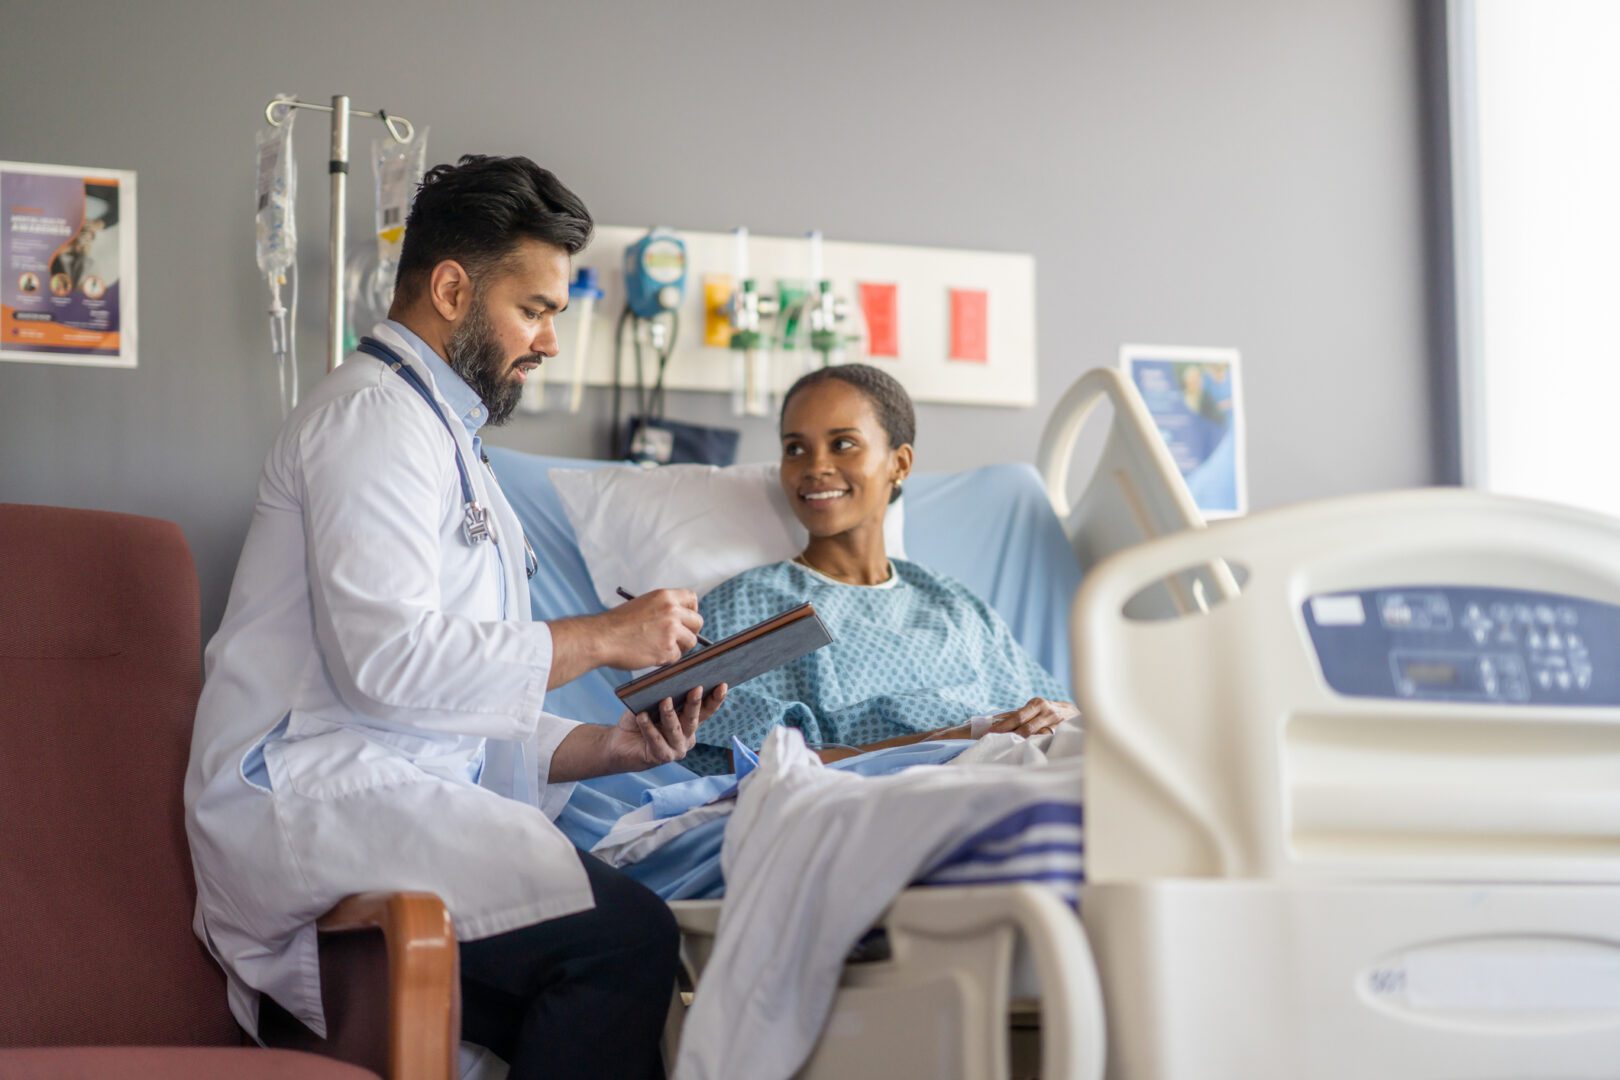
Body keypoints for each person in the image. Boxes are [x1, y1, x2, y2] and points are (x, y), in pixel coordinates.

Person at [185, 155, 725, 1080]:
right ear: (450, 288)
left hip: (386, 791)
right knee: (622, 941)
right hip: (313, 801)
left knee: (617, 963)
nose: (551, 341)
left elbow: (453, 702)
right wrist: (602, 635)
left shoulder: (443, 436)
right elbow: (388, 667)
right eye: (538, 309)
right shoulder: (372, 423)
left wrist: (610, 748)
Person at [683, 364, 1077, 776]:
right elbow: (751, 767)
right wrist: (960, 738)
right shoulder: (749, 605)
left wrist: (1058, 717)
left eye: (843, 444)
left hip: (1027, 773)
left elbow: (1056, 714)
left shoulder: (954, 603)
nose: (815, 466)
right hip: (887, 798)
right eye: (795, 449)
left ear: (900, 463)